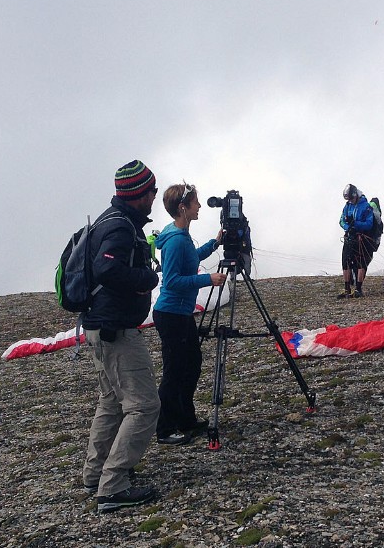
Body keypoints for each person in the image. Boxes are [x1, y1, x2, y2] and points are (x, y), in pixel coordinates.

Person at [81, 160, 163, 513]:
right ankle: (112, 487)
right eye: (152, 192)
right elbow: (107, 267)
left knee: (112, 401)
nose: (155, 198)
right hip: (116, 332)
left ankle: (95, 475)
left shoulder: (109, 220)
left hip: (99, 328)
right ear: (140, 195)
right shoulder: (119, 227)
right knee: (144, 406)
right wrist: (146, 279)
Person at [152, 183, 226, 445]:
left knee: (191, 365)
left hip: (178, 314)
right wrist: (209, 279)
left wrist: (214, 244)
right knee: (175, 371)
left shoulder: (179, 236)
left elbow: (190, 258)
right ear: (183, 207)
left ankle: (186, 418)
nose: (199, 207)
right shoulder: (175, 241)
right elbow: (171, 280)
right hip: (171, 314)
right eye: (195, 202)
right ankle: (164, 428)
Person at [338, 184, 375, 298]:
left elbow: (369, 224)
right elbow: (341, 220)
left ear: (355, 195)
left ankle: (358, 289)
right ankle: (347, 289)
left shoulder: (366, 206)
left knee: (360, 263)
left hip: (361, 238)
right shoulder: (347, 206)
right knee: (346, 262)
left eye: (351, 198)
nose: (350, 201)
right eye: (348, 199)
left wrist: (356, 224)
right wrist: (347, 226)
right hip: (349, 237)